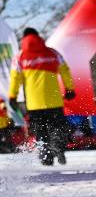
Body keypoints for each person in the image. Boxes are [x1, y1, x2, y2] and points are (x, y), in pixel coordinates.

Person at [8, 28, 75, 166]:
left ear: (24, 39)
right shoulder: (52, 53)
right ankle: (58, 147)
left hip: (34, 104)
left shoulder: (20, 56)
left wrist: (12, 96)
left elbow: (15, 78)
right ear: (38, 37)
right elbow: (65, 70)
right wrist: (70, 88)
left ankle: (46, 157)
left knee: (40, 131)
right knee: (57, 127)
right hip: (54, 101)